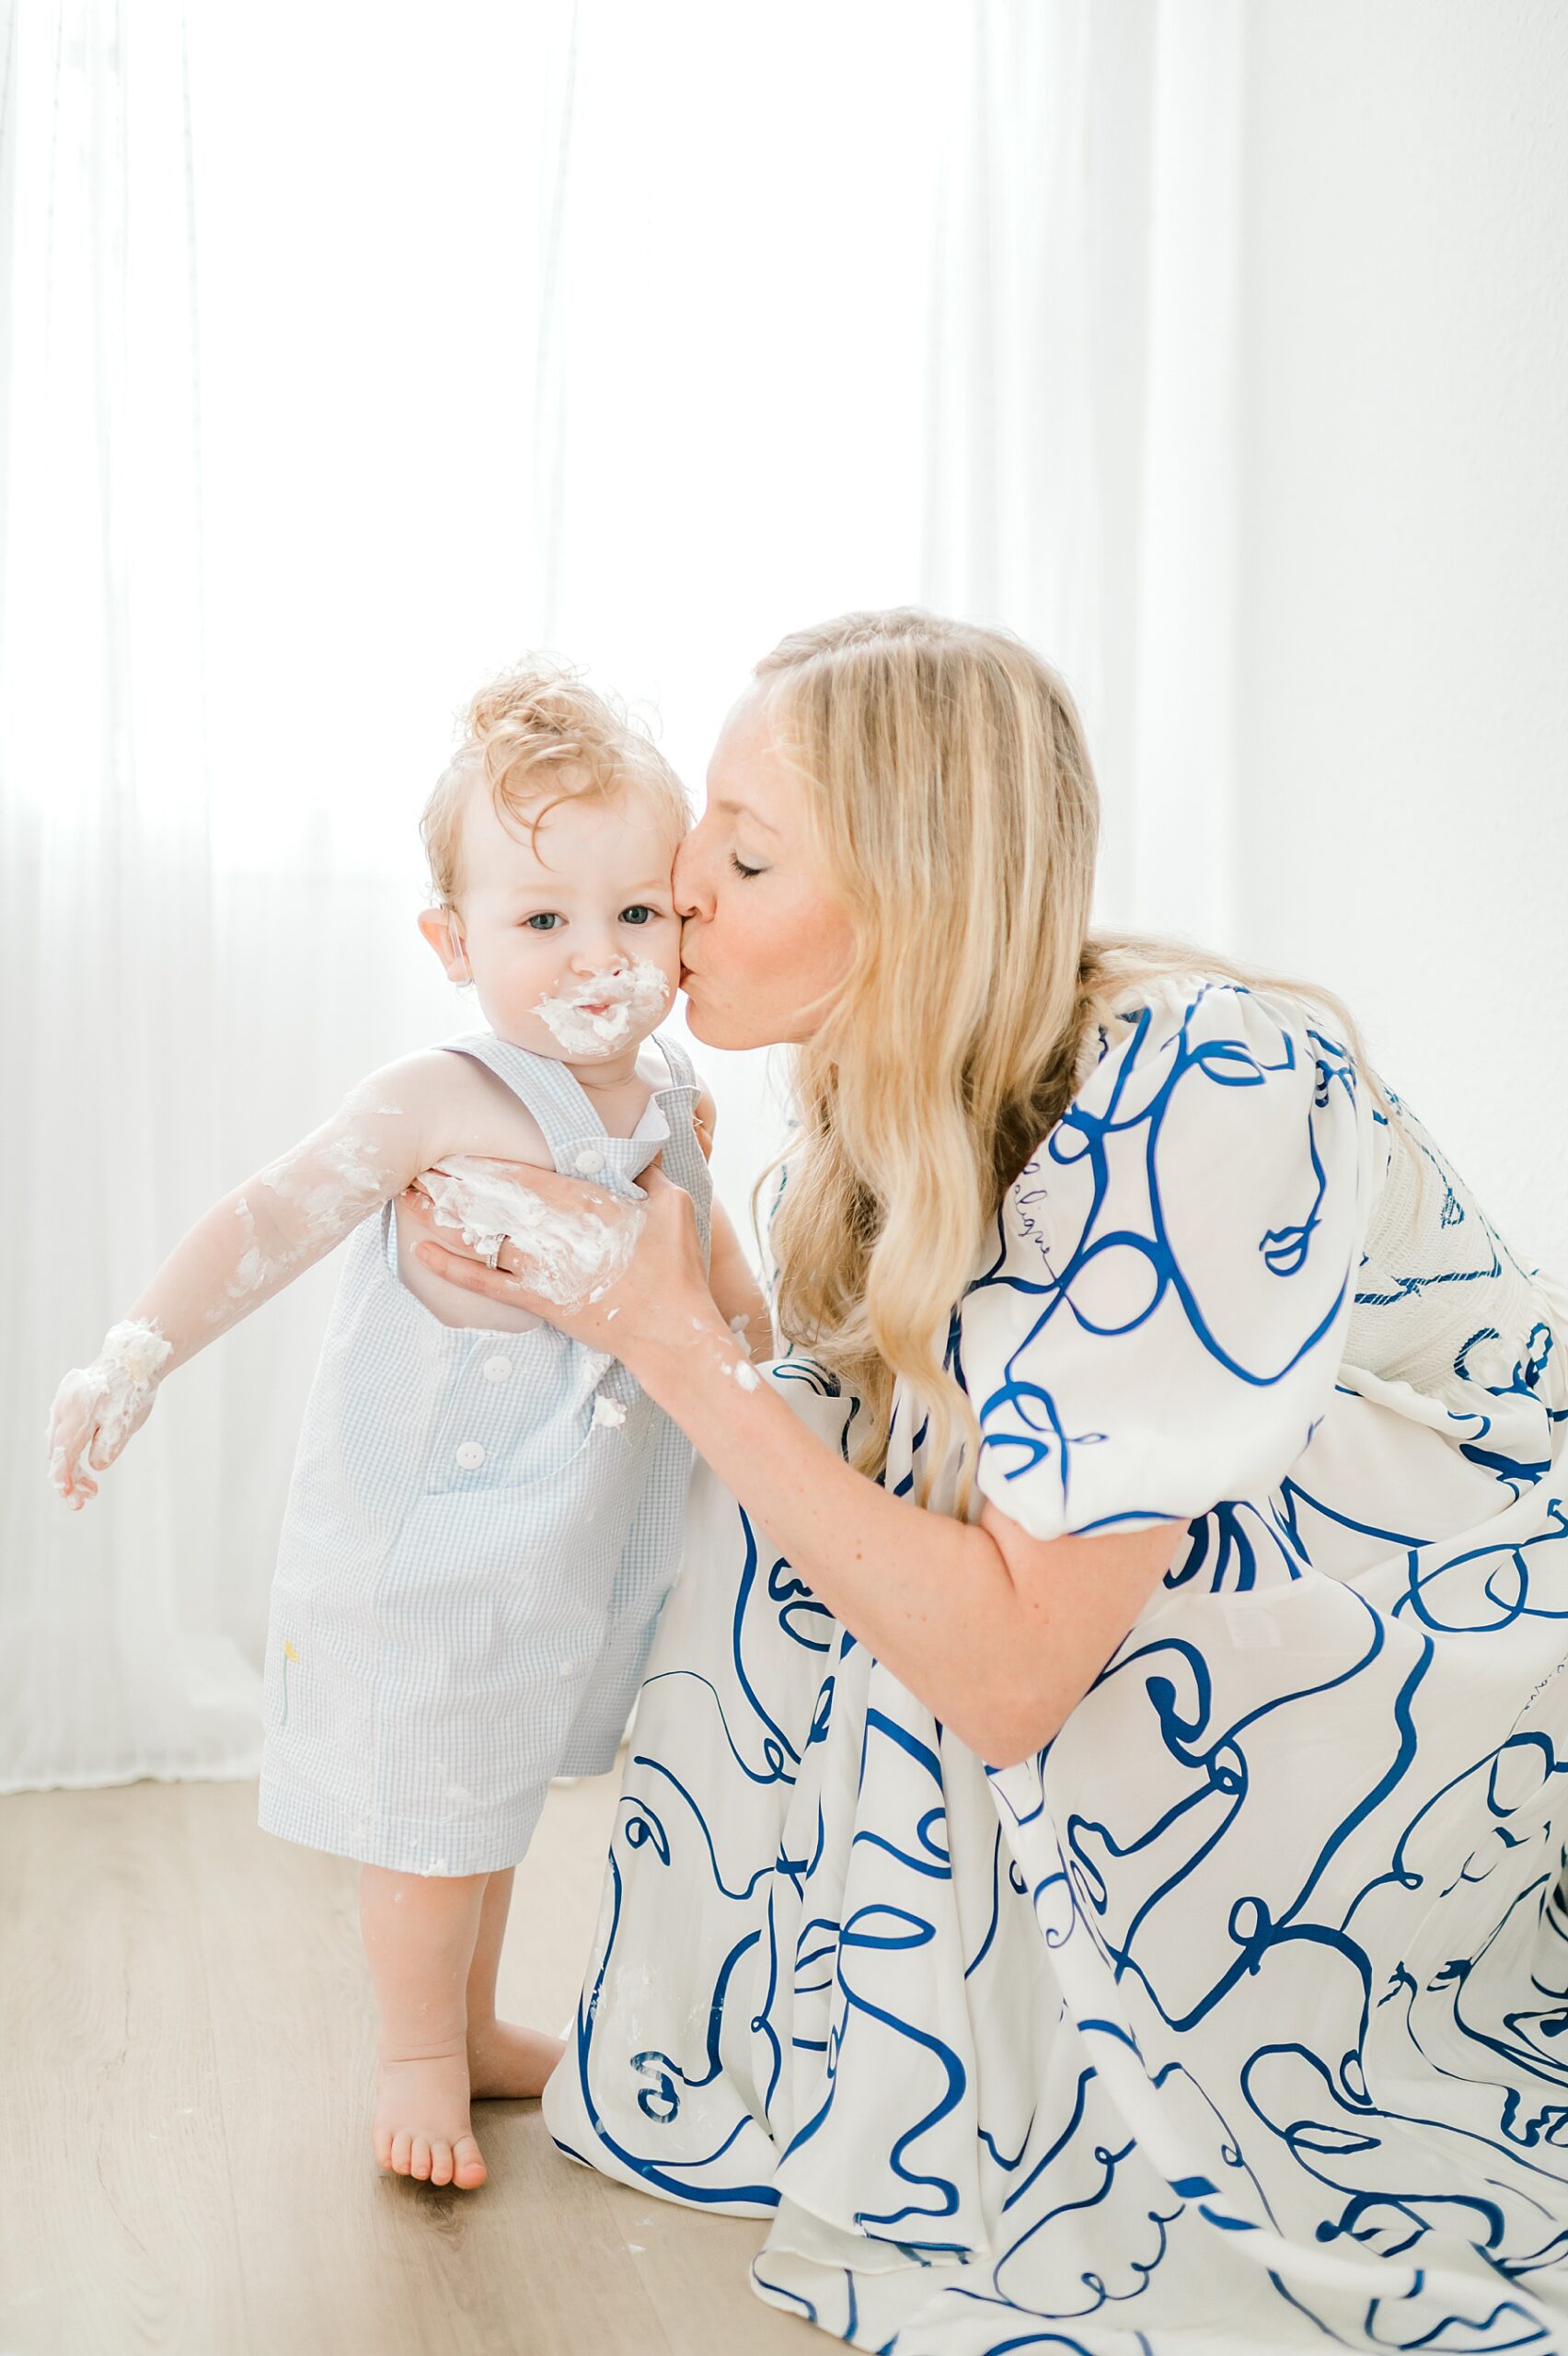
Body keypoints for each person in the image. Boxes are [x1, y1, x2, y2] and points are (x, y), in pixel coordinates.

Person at [408, 607, 1568, 2352]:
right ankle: (846, 2045)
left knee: (872, 1490)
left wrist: (668, 1344)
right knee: (812, 1444)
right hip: (1253, 1587)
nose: (679, 885)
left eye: (741, 849)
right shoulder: (898, 1091)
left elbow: (1022, 1674)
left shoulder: (1202, 1076)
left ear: (914, 888)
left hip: (1466, 1610)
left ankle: (1112, 2072)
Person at [43, 659, 767, 2197]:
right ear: (456, 943)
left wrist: (763, 1350)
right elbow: (268, 1221)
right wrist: (135, 1354)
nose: (599, 957)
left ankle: (483, 2026)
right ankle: (415, 2057)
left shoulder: (675, 1099)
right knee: (428, 1821)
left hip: (562, 1541)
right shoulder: (440, 1095)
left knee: (491, 1798)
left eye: (637, 915)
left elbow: (716, 1274)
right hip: (422, 1542)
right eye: (543, 920)